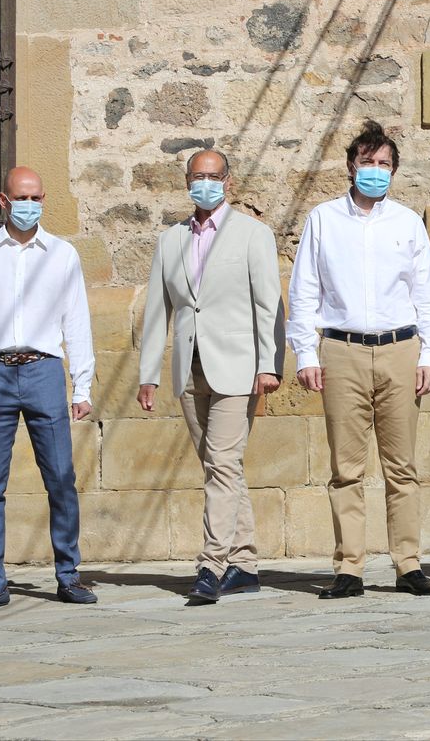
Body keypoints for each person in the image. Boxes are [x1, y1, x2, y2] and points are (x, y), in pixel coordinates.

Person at [288, 121, 430, 599]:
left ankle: (408, 563)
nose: (375, 172)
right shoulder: (323, 220)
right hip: (341, 351)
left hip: (400, 349)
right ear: (351, 167)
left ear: (393, 171)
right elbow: (304, 290)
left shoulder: (407, 223)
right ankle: (349, 568)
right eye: (367, 163)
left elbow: (427, 293)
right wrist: (305, 352)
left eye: (384, 165)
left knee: (402, 467)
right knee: (346, 468)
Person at [137, 149, 284, 604]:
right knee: (221, 466)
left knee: (221, 465)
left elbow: (269, 305)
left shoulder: (252, 235)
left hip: (238, 367)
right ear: (186, 181)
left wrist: (270, 363)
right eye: (198, 176)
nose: (206, 183)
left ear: (229, 182)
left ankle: (211, 564)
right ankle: (245, 563)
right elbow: (157, 311)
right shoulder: (170, 240)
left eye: (214, 176)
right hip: (189, 368)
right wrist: (149, 374)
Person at [0, 166, 97, 612]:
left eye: (36, 197)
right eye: (21, 197)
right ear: (3, 200)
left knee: (61, 478)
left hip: (43, 372)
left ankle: (68, 574)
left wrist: (81, 385)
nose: (29, 205)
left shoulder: (62, 254)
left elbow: (77, 321)